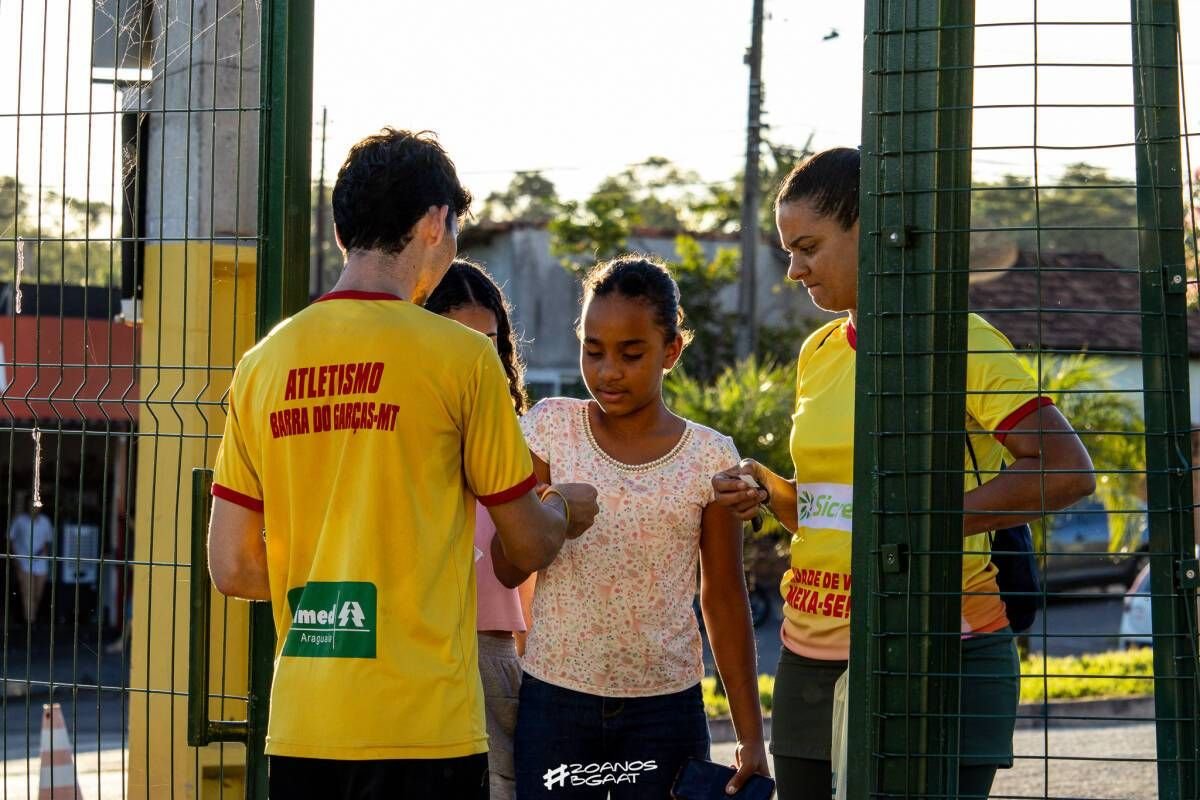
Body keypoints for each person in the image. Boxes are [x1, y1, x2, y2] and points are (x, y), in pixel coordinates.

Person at [206, 128, 599, 799]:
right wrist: (566, 507)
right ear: (435, 222)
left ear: (339, 232)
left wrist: (336, 573)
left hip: (305, 725)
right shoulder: (464, 360)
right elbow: (528, 541)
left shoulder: (260, 366)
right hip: (428, 729)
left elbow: (234, 569)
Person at [712, 147, 1097, 800]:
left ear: (869, 231)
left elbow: (1065, 472)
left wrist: (920, 526)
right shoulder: (819, 352)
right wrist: (767, 487)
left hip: (940, 647)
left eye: (807, 246)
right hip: (811, 654)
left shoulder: (961, 342)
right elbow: (830, 508)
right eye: (788, 249)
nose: (793, 269)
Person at [508, 256, 770, 798]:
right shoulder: (550, 430)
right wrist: (553, 513)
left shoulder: (710, 457)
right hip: (556, 702)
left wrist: (750, 736)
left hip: (665, 712)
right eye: (593, 350)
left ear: (671, 350)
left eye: (631, 354)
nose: (607, 371)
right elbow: (511, 565)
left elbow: (722, 596)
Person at [426, 258, 537, 800]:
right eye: (456, 336)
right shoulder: (398, 431)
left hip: (490, 652)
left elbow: (531, 566)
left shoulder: (519, 436)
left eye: (489, 340)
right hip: (411, 653)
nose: (476, 354)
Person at [8, 493, 53, 628]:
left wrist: (43, 552)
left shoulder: (45, 521)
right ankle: (30, 623)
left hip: (41, 563)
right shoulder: (19, 521)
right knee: (27, 592)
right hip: (23, 562)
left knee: (37, 593)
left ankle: (31, 617)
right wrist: (15, 559)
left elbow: (47, 542)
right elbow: (11, 539)